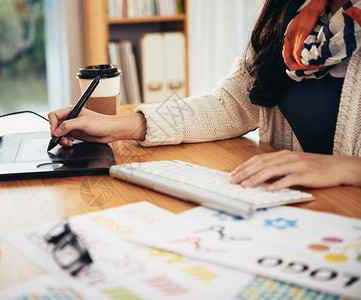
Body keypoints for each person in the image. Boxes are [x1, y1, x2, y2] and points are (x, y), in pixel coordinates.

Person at [48, 0, 361, 192]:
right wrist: (119, 125)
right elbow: (229, 105)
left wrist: (343, 168)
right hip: (294, 210)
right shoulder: (290, 14)